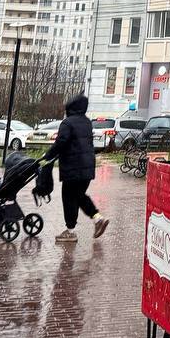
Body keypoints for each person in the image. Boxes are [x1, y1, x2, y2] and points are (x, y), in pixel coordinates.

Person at [43, 94, 108, 242]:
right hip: (88, 167)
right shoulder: (86, 122)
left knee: (70, 197)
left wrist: (48, 156)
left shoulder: (67, 123)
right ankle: (97, 219)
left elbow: (61, 142)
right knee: (78, 196)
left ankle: (72, 230)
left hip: (73, 167)